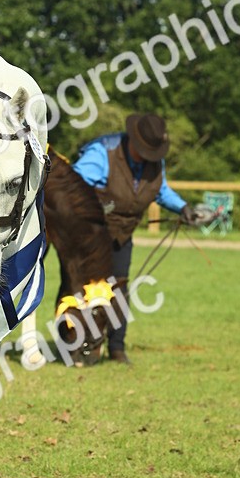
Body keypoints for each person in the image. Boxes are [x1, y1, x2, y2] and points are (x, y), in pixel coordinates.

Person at [73, 112, 201, 364]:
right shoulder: (102, 153)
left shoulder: (154, 162)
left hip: (123, 234)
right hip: (91, 231)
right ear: (133, 139)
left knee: (120, 286)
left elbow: (160, 189)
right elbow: (72, 185)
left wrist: (182, 207)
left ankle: (117, 347)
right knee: (88, 288)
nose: (148, 156)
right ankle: (80, 346)